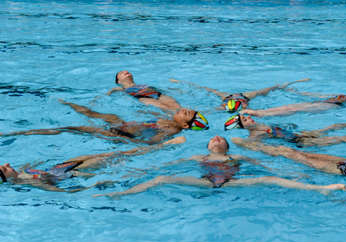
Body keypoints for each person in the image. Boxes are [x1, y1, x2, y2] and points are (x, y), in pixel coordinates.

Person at [93, 136, 346, 198]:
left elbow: (269, 169)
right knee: (161, 179)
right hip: (204, 183)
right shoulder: (196, 159)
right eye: (213, 139)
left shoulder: (238, 159)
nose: (217, 139)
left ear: (225, 146)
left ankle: (319, 188)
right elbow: (164, 166)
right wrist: (133, 174)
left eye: (220, 138)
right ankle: (120, 193)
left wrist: (293, 173)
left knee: (274, 181)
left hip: (233, 182)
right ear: (207, 147)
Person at [0, 136, 186, 192]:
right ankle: (165, 147)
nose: (7, 163)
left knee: (112, 154)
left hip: (60, 166)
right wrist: (91, 186)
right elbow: (62, 192)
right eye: (4, 168)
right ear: (4, 178)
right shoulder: (29, 183)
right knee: (117, 157)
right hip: (74, 174)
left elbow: (36, 165)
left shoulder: (22, 171)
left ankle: (159, 147)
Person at [0, 99, 209, 145]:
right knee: (94, 113)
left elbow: (152, 142)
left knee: (70, 128)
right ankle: (65, 101)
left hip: (120, 134)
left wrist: (125, 139)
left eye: (189, 115)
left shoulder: (172, 129)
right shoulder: (167, 118)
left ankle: (15, 134)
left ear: (184, 126)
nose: (188, 111)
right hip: (122, 125)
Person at [224, 114, 346, 147]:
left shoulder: (262, 124)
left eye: (246, 115)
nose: (248, 117)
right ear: (242, 127)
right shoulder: (254, 135)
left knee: (336, 126)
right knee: (342, 138)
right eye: (244, 119)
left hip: (301, 134)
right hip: (302, 143)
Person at [241, 84, 346, 117]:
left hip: (331, 107)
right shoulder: (342, 93)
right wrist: (297, 92)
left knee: (294, 109)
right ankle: (260, 112)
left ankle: (260, 114)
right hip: (322, 102)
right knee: (289, 106)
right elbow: (316, 95)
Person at [169, 78, 310, 113]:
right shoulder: (243, 103)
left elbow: (207, 111)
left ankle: (290, 83)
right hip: (243, 96)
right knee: (205, 89)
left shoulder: (226, 102)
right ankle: (181, 82)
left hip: (230, 96)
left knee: (273, 87)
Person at [107, 70, 181, 111]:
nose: (126, 71)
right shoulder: (121, 88)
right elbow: (108, 94)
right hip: (143, 97)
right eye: (121, 73)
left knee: (177, 107)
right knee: (167, 110)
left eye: (127, 72)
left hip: (157, 94)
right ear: (118, 81)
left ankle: (190, 120)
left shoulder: (142, 85)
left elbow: (156, 88)